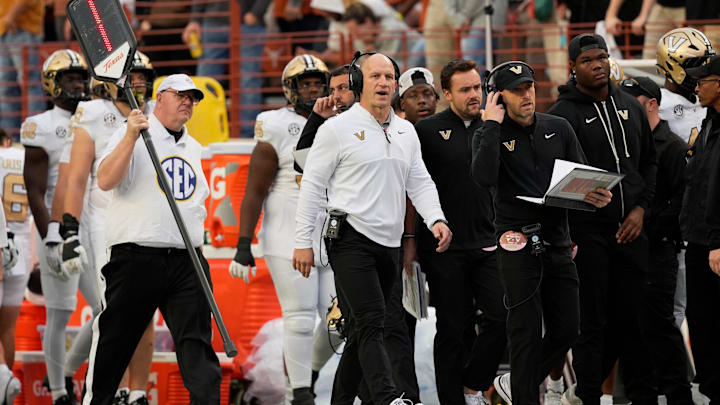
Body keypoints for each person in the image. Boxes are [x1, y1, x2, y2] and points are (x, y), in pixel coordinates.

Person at [293, 53, 451, 405]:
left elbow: (419, 181)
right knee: (372, 320)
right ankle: (386, 396)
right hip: (349, 238)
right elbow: (313, 187)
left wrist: (436, 219)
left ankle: (342, 400)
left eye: (389, 76)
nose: (383, 82)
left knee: (361, 329)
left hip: (389, 242)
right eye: (375, 76)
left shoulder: (405, 130)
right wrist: (302, 242)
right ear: (358, 82)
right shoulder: (336, 128)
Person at [471, 59, 611, 405]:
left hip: (558, 241)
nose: (526, 95)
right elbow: (483, 177)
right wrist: (490, 125)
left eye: (529, 87)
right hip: (515, 243)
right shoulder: (489, 133)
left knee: (568, 328)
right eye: (516, 91)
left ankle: (517, 383)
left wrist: (595, 196)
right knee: (525, 333)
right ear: (499, 98)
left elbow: (580, 179)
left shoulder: (558, 127)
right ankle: (524, 397)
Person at [83, 73, 220, 405]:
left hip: (187, 258)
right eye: (181, 95)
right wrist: (130, 135)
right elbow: (104, 180)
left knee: (197, 344)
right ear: (160, 98)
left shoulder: (194, 147)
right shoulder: (132, 133)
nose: (189, 101)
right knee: (116, 341)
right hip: (136, 256)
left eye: (194, 97)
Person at [547, 34, 658, 405]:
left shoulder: (631, 105)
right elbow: (550, 180)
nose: (598, 65)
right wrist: (580, 196)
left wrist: (641, 210)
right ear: (573, 68)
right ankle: (589, 396)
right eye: (589, 60)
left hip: (633, 230)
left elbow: (648, 164)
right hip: (587, 232)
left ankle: (641, 396)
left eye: (603, 57)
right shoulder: (562, 115)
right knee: (591, 323)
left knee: (633, 321)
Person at [228, 54, 341, 404]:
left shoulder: (342, 120)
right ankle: (301, 392)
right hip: (287, 232)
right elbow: (255, 189)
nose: (312, 90)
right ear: (290, 89)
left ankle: (307, 373)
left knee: (341, 321)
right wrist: (243, 243)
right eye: (304, 84)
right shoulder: (275, 124)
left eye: (317, 84)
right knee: (300, 317)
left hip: (330, 232)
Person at [54, 52, 157, 405]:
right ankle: (100, 392)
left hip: (145, 223)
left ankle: (137, 391)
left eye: (143, 76)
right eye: (133, 76)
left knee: (145, 314)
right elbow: (76, 177)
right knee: (112, 311)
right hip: (106, 223)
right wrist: (69, 230)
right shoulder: (95, 113)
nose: (138, 83)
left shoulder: (157, 111)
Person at [413, 59, 506, 405]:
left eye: (477, 87)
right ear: (446, 94)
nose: (474, 95)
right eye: (465, 89)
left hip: (489, 244)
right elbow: (413, 188)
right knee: (453, 329)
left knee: (501, 315)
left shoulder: (496, 125)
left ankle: (473, 385)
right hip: (444, 248)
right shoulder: (426, 131)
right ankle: (452, 399)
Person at [620, 76, 693, 405]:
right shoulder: (626, 145)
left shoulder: (673, 147)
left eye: (631, 101)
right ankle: (641, 397)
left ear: (651, 104)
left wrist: (647, 224)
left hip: (661, 249)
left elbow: (683, 203)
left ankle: (679, 397)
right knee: (632, 329)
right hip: (630, 251)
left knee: (660, 327)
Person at [21, 49, 88, 405]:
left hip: (94, 219)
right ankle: (60, 393)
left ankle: (63, 372)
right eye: (69, 78)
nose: (77, 83)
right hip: (58, 223)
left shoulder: (98, 115)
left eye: (80, 77)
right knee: (60, 311)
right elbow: (35, 187)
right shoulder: (40, 125)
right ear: (52, 84)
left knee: (109, 307)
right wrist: (49, 233)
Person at [679, 55, 720, 405]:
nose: (695, 86)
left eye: (701, 80)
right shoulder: (708, 122)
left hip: (716, 245)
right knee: (702, 324)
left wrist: (719, 242)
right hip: (697, 240)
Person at [182, 0, 270, 137]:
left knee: (247, 81)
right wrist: (194, 20)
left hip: (242, 23)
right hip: (215, 23)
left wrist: (255, 13)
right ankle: (204, 130)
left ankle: (247, 134)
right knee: (207, 82)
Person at [0, 128, 28, 405]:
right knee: (7, 329)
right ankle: (5, 387)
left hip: (0, 241)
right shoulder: (22, 157)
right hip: (20, 245)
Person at [656, 27, 716, 147]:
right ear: (671, 66)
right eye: (696, 65)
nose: (702, 72)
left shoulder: (708, 98)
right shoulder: (657, 105)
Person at [0, 0, 46, 139]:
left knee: (28, 83)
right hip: (6, 29)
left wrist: (9, 17)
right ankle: (9, 138)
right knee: (6, 87)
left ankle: (35, 135)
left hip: (23, 29)